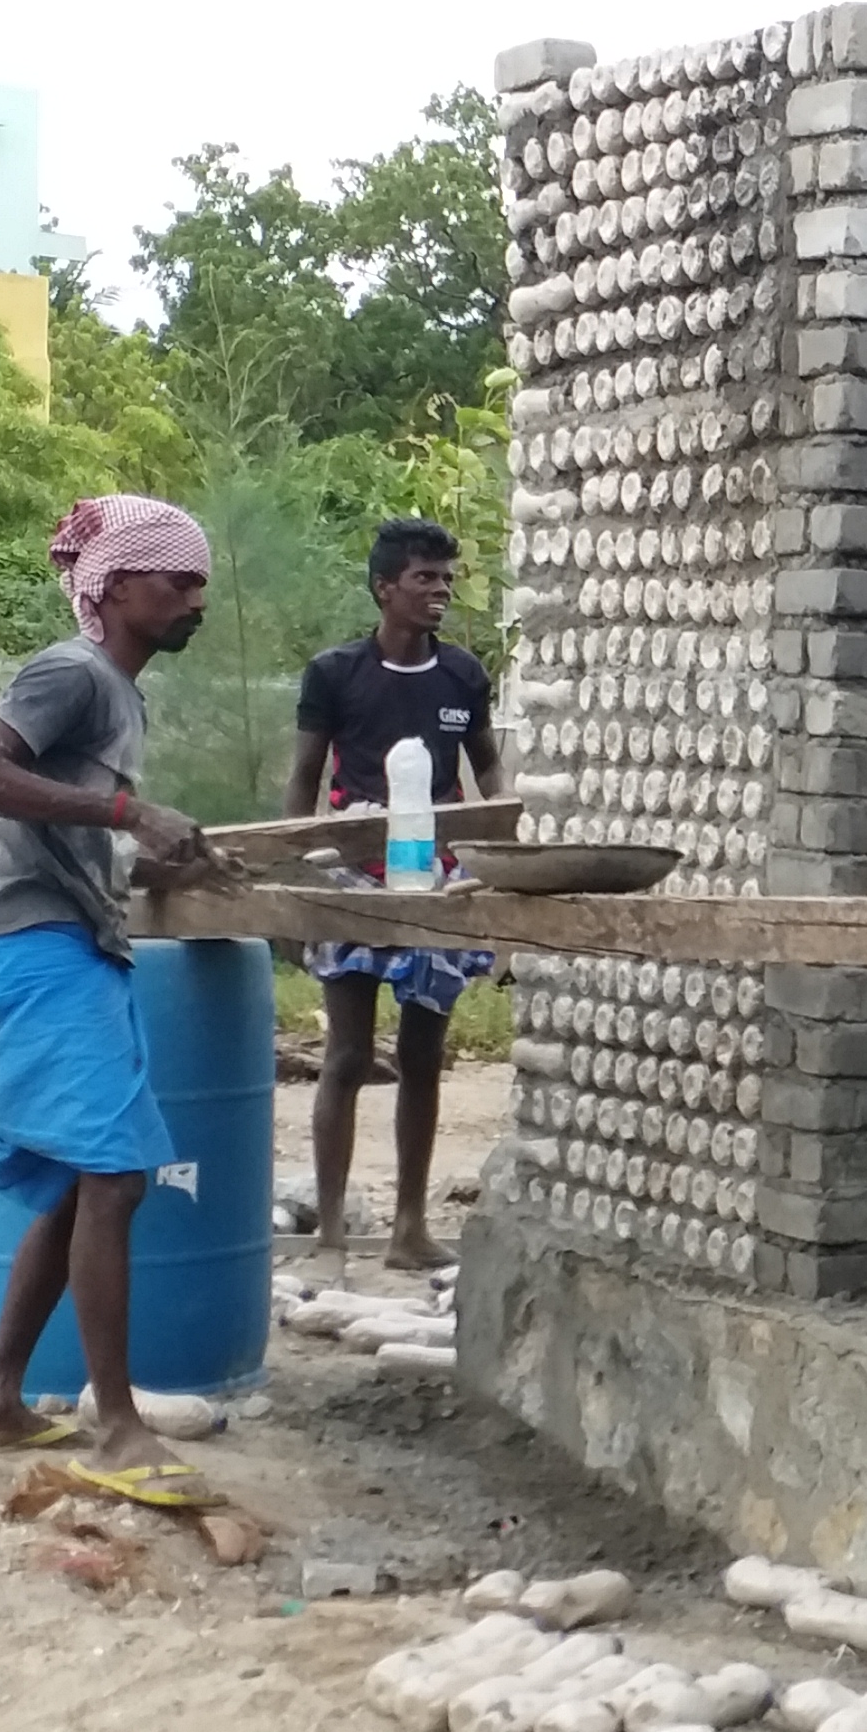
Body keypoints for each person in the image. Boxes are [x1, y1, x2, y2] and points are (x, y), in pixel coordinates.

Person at [0, 493, 228, 1506]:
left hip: (63, 948)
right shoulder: (72, 672)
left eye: (201, 581)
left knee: (83, 1184)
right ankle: (117, 1427)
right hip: (42, 957)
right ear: (111, 586)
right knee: (114, 1180)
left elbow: (62, 832)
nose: (196, 597)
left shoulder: (117, 694)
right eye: (175, 579)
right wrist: (127, 811)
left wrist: (144, 852)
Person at [285, 516, 506, 1271]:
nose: (440, 590)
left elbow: (488, 774)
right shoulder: (336, 674)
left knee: (423, 1050)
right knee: (346, 1055)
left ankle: (410, 1228)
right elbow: (303, 780)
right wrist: (295, 868)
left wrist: (492, 856)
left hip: (435, 879)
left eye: (446, 577)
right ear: (385, 589)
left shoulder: (463, 678)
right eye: (424, 578)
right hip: (352, 874)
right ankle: (331, 1232)